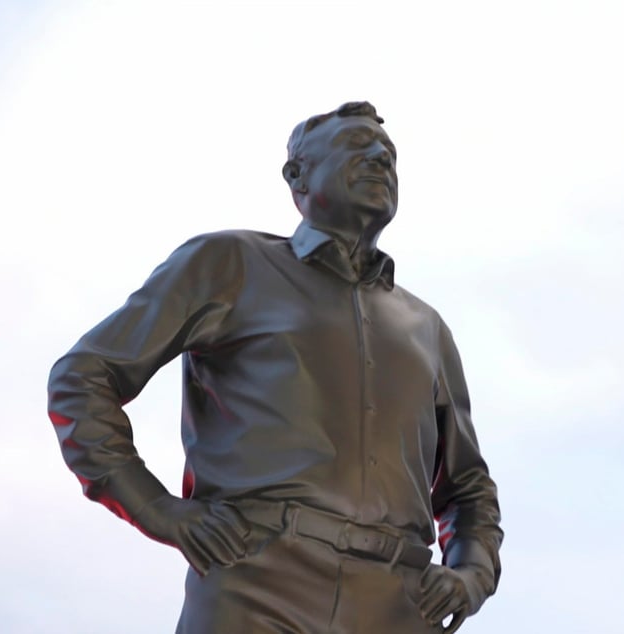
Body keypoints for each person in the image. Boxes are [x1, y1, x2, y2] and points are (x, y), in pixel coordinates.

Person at [47, 101, 502, 633]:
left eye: (390, 155)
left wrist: (470, 571)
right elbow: (83, 378)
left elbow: (468, 487)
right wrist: (154, 507)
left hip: (397, 606)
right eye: (357, 146)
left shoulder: (426, 328)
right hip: (257, 586)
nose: (380, 157)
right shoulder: (229, 265)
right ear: (298, 174)